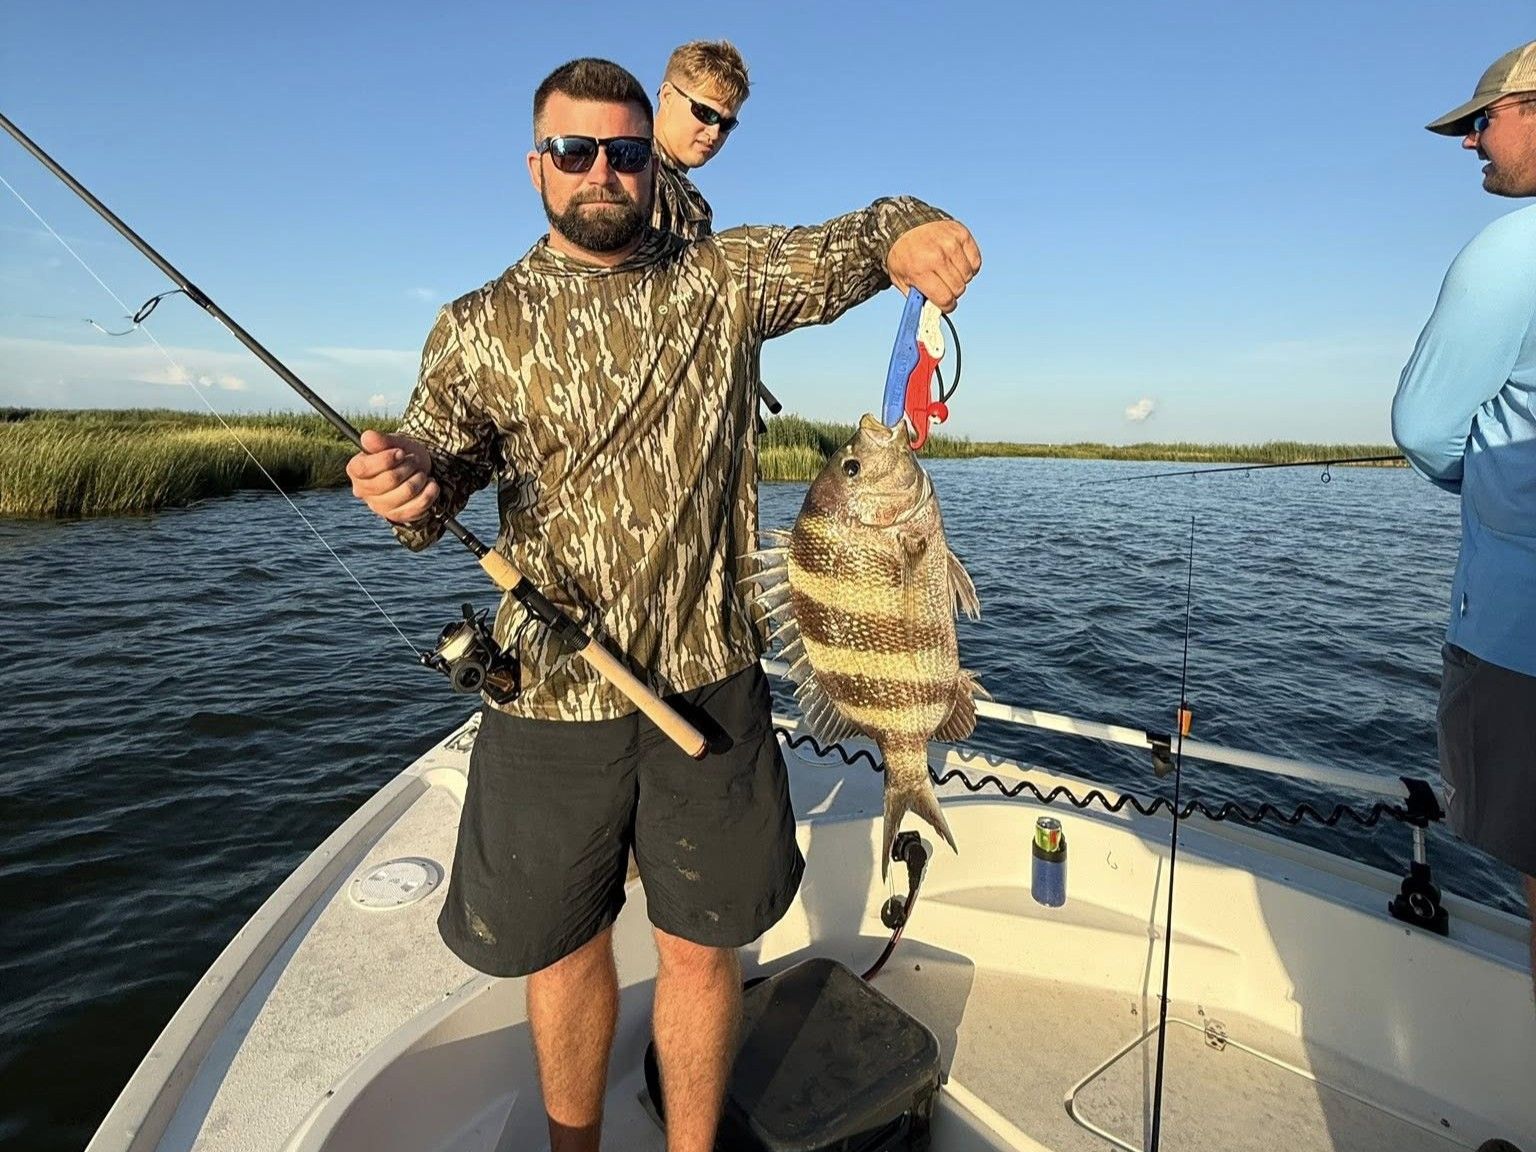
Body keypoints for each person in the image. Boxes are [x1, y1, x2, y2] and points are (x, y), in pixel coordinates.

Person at [346, 57, 980, 1152]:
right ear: (536, 164)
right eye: (575, 151)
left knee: (700, 947)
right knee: (563, 949)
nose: (601, 171)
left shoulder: (721, 279)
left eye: (625, 152)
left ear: (652, 164)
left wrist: (911, 233)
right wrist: (402, 484)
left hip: (714, 683)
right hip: (549, 698)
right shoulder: (476, 324)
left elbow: (850, 245)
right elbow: (435, 477)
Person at [1391, 39, 1536, 1002]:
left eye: (1484, 120)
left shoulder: (1512, 250)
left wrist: (1480, 478)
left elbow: (1424, 427)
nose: (1471, 142)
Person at [650, 38, 748, 240]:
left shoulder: (692, 202)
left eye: (726, 124)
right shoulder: (627, 168)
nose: (714, 133)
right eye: (705, 113)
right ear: (667, 96)